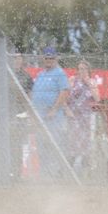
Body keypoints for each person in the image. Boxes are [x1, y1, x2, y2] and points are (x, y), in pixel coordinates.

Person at [30, 46, 70, 177]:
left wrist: (54, 109)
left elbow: (65, 91)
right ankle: (44, 174)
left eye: (51, 58)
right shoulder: (41, 74)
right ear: (43, 58)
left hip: (53, 117)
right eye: (47, 58)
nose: (49, 60)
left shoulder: (59, 73)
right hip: (40, 116)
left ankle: (55, 174)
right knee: (41, 146)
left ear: (55, 58)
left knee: (54, 145)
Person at [65, 59, 100, 173]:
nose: (82, 71)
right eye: (80, 69)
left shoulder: (92, 81)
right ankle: (69, 167)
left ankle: (85, 169)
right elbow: (66, 96)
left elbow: (97, 98)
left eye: (84, 69)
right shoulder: (72, 80)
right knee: (72, 140)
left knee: (86, 142)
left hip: (86, 116)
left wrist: (88, 83)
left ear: (89, 70)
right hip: (74, 115)